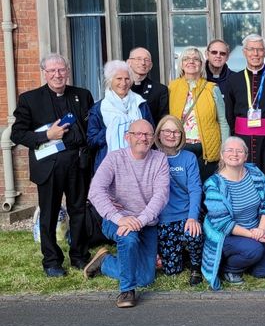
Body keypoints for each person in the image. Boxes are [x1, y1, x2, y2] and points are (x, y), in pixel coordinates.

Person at [11, 53, 94, 277]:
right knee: (49, 214)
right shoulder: (30, 99)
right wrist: (48, 134)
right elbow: (17, 134)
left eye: (61, 70)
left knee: (79, 211)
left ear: (67, 71)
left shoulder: (82, 95)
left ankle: (79, 255)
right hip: (49, 166)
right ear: (44, 73)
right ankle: (51, 261)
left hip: (77, 165)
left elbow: (90, 127)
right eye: (52, 71)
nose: (57, 75)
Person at [84, 119, 170, 308]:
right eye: (137, 134)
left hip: (146, 221)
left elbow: (161, 196)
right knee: (128, 238)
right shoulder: (114, 158)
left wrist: (140, 220)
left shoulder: (160, 159)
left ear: (153, 138)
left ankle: (105, 262)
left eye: (147, 134)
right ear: (127, 137)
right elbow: (95, 191)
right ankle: (126, 291)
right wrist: (119, 218)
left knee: (146, 278)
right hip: (117, 219)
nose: (143, 138)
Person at [201, 136, 265, 290]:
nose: (234, 154)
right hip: (227, 235)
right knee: (254, 250)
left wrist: (261, 229)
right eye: (229, 150)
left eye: (239, 151)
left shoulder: (255, 173)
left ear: (246, 155)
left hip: (255, 232)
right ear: (222, 155)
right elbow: (223, 223)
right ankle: (229, 269)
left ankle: (246, 258)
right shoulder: (214, 184)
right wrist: (254, 235)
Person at [224, 34, 265, 178]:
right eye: (251, 49)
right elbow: (229, 114)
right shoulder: (233, 80)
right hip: (242, 140)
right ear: (244, 52)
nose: (255, 54)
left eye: (259, 50)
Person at [154, 115, 204, 285]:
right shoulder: (151, 157)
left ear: (182, 135)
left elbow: (195, 189)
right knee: (172, 271)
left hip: (185, 215)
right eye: (167, 131)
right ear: (159, 134)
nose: (171, 135)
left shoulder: (188, 158)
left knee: (194, 233)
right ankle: (180, 254)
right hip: (163, 218)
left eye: (176, 132)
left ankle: (196, 266)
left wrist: (193, 217)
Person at [169, 46, 229, 182]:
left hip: (206, 149)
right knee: (182, 187)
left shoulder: (212, 88)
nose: (191, 62)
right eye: (186, 59)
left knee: (206, 188)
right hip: (181, 147)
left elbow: (223, 122)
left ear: (201, 64)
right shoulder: (172, 87)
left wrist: (224, 150)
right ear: (181, 64)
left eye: (196, 59)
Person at [87, 60, 153, 172]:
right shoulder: (99, 108)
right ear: (110, 81)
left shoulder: (140, 104)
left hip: (141, 164)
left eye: (127, 79)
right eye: (119, 79)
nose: (123, 83)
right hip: (109, 166)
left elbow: (152, 132)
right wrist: (112, 129)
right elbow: (91, 141)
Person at [127, 47, 169, 124]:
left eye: (146, 60)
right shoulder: (122, 88)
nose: (143, 63)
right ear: (129, 63)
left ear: (151, 65)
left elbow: (163, 120)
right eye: (138, 59)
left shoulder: (160, 90)